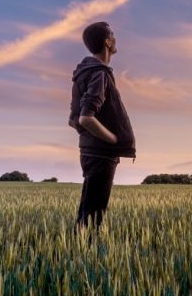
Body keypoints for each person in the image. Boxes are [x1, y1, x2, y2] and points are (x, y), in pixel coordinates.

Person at [68, 21, 137, 231]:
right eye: (113, 36)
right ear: (107, 42)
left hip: (89, 151)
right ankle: (83, 258)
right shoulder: (100, 73)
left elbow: (73, 119)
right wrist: (113, 139)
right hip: (101, 153)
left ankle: (78, 253)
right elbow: (85, 118)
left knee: (88, 211)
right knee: (93, 215)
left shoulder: (83, 73)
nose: (115, 39)